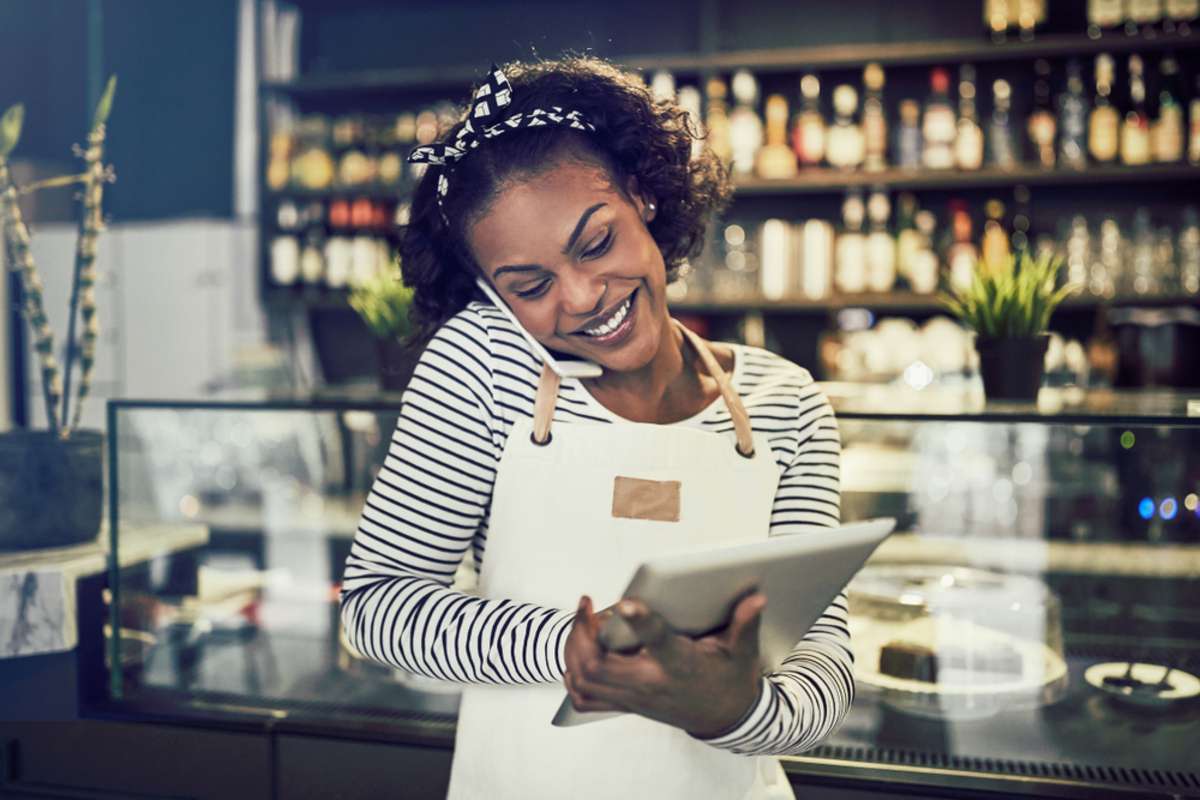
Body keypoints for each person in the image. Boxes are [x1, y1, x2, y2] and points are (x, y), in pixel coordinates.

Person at [340, 57, 850, 800]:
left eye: (596, 242)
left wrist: (732, 709)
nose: (582, 297)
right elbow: (378, 607)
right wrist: (568, 646)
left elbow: (825, 672)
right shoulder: (483, 366)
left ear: (643, 196)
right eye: (531, 286)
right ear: (491, 294)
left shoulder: (785, 404)